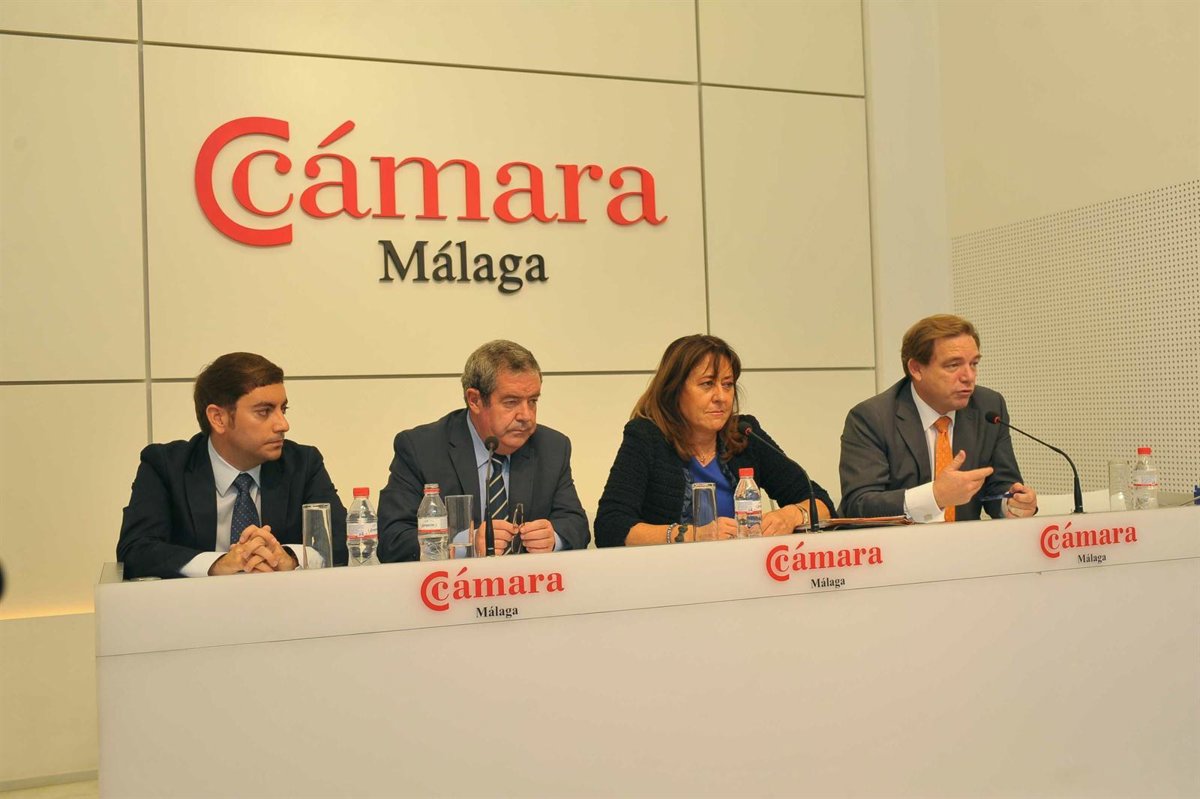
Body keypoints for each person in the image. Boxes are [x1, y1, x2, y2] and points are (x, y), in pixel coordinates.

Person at [117, 352, 348, 579]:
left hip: (286, 603)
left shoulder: (302, 464)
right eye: (264, 412)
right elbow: (136, 551)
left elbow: (343, 541)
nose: (283, 424)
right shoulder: (166, 467)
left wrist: (289, 558)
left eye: (283, 409)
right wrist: (218, 564)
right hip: (195, 604)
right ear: (218, 418)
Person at [594, 335, 835, 547]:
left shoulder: (744, 434)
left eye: (727, 385)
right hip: (668, 576)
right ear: (674, 390)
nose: (721, 397)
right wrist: (691, 535)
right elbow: (611, 526)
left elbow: (822, 503)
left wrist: (790, 516)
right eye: (707, 384)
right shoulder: (646, 437)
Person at [377, 340, 590, 561]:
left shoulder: (552, 447)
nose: (526, 415)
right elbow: (392, 539)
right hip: (453, 582)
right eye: (511, 402)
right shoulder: (422, 449)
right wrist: (463, 544)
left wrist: (553, 538)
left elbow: (576, 525)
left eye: (533, 401)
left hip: (529, 581)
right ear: (475, 400)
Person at [838, 314, 1038, 521]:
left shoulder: (989, 407)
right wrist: (934, 496)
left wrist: (1012, 504)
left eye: (974, 363)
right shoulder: (872, 418)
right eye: (953, 365)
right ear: (916, 369)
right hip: (898, 540)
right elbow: (859, 504)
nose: (969, 376)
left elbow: (999, 486)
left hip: (966, 540)